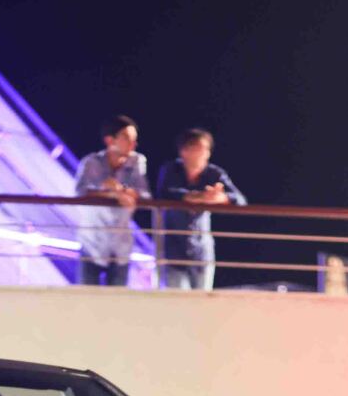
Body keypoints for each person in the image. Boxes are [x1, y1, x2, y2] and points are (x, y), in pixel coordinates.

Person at [154, 128, 246, 290]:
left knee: (202, 301)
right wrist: (197, 197)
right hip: (173, 249)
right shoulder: (171, 169)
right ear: (183, 151)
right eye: (197, 148)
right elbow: (166, 192)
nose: (202, 153)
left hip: (202, 250)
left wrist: (220, 198)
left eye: (206, 149)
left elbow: (239, 200)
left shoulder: (214, 173)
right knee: (177, 302)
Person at [72, 116, 150, 285]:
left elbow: (143, 194)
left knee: (117, 302)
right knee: (86, 298)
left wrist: (119, 190)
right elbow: (80, 193)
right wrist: (111, 193)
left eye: (134, 139)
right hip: (92, 242)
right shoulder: (91, 162)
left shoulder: (137, 161)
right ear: (109, 140)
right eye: (127, 138)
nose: (133, 143)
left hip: (120, 245)